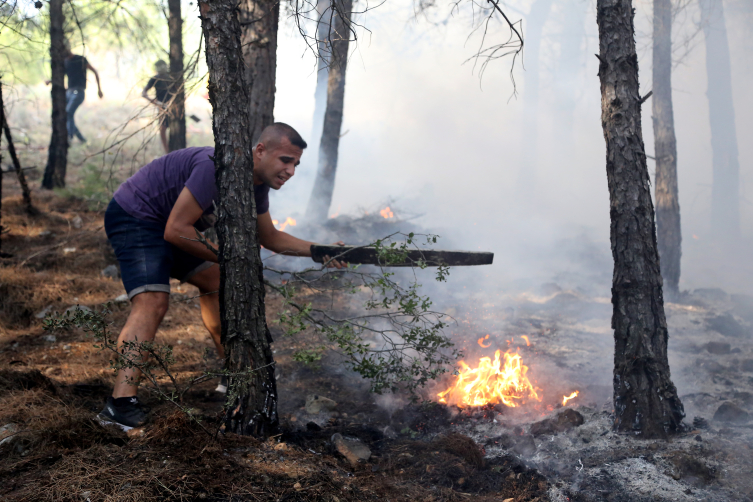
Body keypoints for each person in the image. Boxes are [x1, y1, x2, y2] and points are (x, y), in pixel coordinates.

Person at [98, 123, 344, 431]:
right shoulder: (214, 167)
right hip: (136, 215)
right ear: (260, 150)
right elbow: (176, 230)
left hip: (172, 226)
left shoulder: (256, 184)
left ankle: (233, 375)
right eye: (285, 160)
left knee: (216, 281)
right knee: (153, 302)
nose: (291, 170)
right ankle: (120, 405)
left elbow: (270, 237)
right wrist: (232, 259)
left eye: (295, 164)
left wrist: (320, 251)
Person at [46, 39, 104, 143]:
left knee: (68, 113)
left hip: (78, 93)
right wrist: (50, 81)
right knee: (66, 115)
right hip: (68, 93)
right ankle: (81, 139)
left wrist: (99, 90)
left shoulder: (80, 59)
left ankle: (69, 139)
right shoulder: (65, 62)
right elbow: (59, 76)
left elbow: (95, 71)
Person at [142, 60, 172, 153]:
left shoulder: (171, 78)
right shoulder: (155, 79)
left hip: (173, 108)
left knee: (174, 129)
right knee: (163, 129)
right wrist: (157, 104)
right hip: (162, 108)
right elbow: (144, 93)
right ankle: (167, 151)